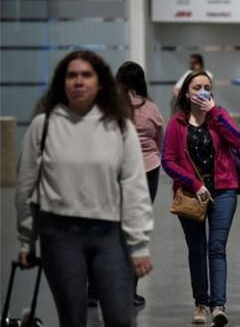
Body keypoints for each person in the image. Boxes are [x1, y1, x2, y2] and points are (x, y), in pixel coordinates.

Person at [15, 50, 154, 327]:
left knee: (119, 317)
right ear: (62, 82)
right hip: (59, 235)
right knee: (73, 319)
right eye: (72, 75)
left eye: (86, 75)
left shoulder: (119, 128)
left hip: (109, 236)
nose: (79, 81)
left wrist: (139, 245)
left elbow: (134, 187)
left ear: (100, 82)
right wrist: (26, 239)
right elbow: (26, 187)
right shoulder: (43, 127)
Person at [162, 70, 240, 326]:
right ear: (187, 92)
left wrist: (215, 113)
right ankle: (201, 304)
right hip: (190, 192)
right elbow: (169, 161)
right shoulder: (177, 123)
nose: (202, 91)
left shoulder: (219, 116)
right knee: (196, 249)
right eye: (196, 87)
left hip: (224, 188)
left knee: (217, 248)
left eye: (207, 87)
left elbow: (239, 141)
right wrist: (195, 184)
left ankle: (218, 305)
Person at [116, 61, 165, 305]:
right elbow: (160, 139)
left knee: (110, 229)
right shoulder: (153, 109)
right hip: (148, 170)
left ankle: (95, 290)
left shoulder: (112, 108)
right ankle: (130, 291)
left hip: (118, 171)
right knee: (137, 229)